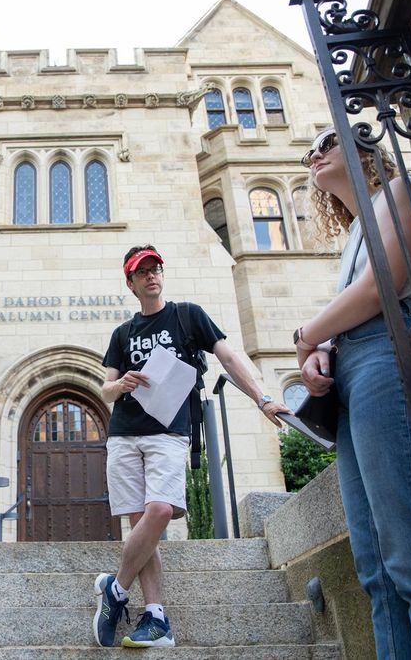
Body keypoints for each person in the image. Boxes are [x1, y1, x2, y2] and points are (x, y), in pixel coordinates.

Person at [294, 128, 411, 658]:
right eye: (310, 152)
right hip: (356, 371)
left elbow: (383, 284)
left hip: (397, 353)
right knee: (376, 572)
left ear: (365, 150)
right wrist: (326, 348)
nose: (315, 153)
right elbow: (357, 303)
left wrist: (306, 336)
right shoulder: (352, 235)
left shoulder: (401, 190)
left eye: (326, 140)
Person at [95, 245, 290, 648]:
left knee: (161, 510)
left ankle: (115, 589)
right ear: (130, 283)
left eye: (156, 268)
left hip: (169, 431)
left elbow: (230, 358)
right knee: (141, 529)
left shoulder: (188, 315)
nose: (152, 275)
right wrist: (122, 383)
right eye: (142, 271)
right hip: (125, 432)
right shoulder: (122, 334)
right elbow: (106, 388)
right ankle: (156, 619)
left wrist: (262, 397)